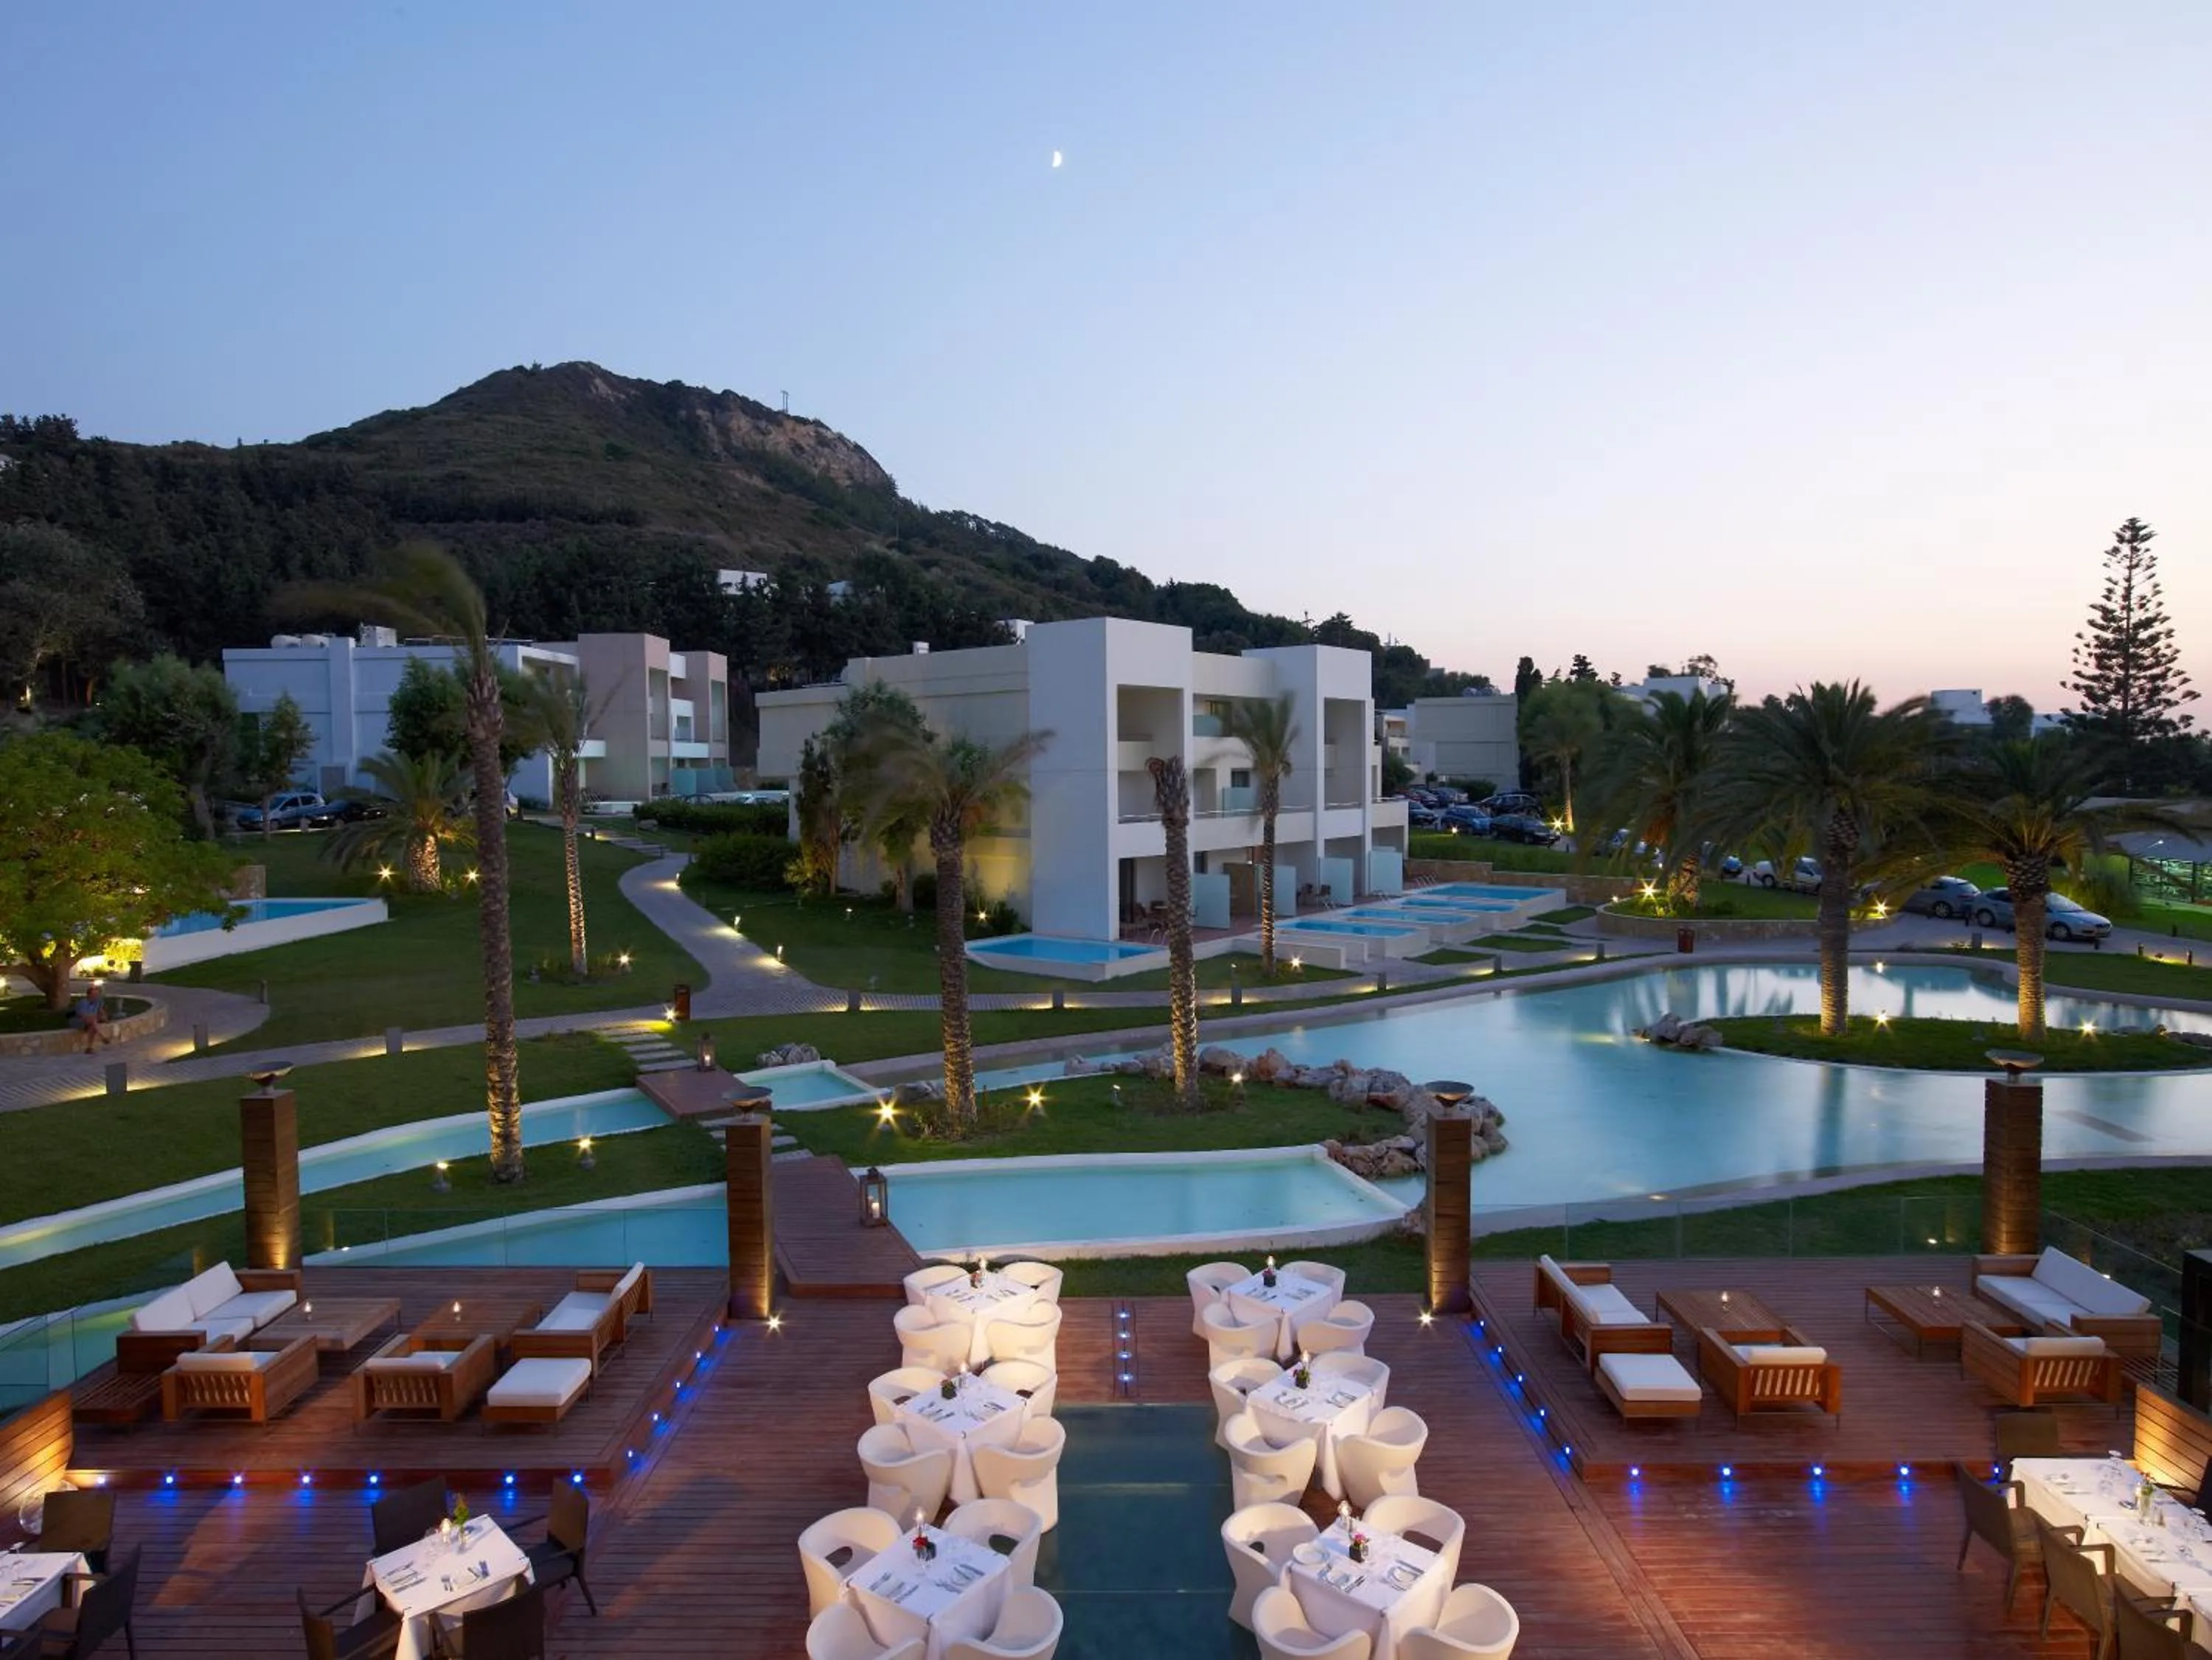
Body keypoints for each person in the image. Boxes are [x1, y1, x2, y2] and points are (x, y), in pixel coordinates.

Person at [70, 983, 105, 1053]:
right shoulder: (83, 1003)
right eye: (94, 995)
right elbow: (82, 1016)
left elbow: (101, 1013)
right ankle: (102, 1036)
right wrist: (93, 1018)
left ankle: (89, 1048)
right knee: (92, 1020)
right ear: (89, 995)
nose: (96, 996)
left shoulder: (96, 1003)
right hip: (78, 1021)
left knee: (93, 1027)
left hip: (90, 1022)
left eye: (97, 995)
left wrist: (103, 1016)